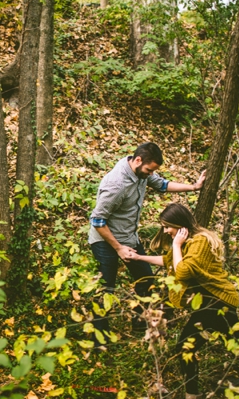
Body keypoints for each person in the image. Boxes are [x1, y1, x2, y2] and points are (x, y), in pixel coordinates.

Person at [129, 203, 239, 399]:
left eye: (168, 226)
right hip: (213, 303)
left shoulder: (200, 242)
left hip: (214, 303)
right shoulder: (188, 242)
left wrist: (176, 245)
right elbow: (169, 262)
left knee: (185, 348)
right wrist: (139, 258)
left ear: (180, 225)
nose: (166, 231)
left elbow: (182, 272)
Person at [88, 142, 205, 334]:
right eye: (149, 170)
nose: (151, 174)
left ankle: (140, 324)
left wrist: (194, 187)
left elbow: (162, 185)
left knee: (146, 281)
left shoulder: (141, 172)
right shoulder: (116, 184)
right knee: (106, 288)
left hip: (129, 236)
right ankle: (98, 337)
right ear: (138, 160)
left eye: (153, 171)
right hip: (105, 240)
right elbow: (98, 221)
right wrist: (118, 248)